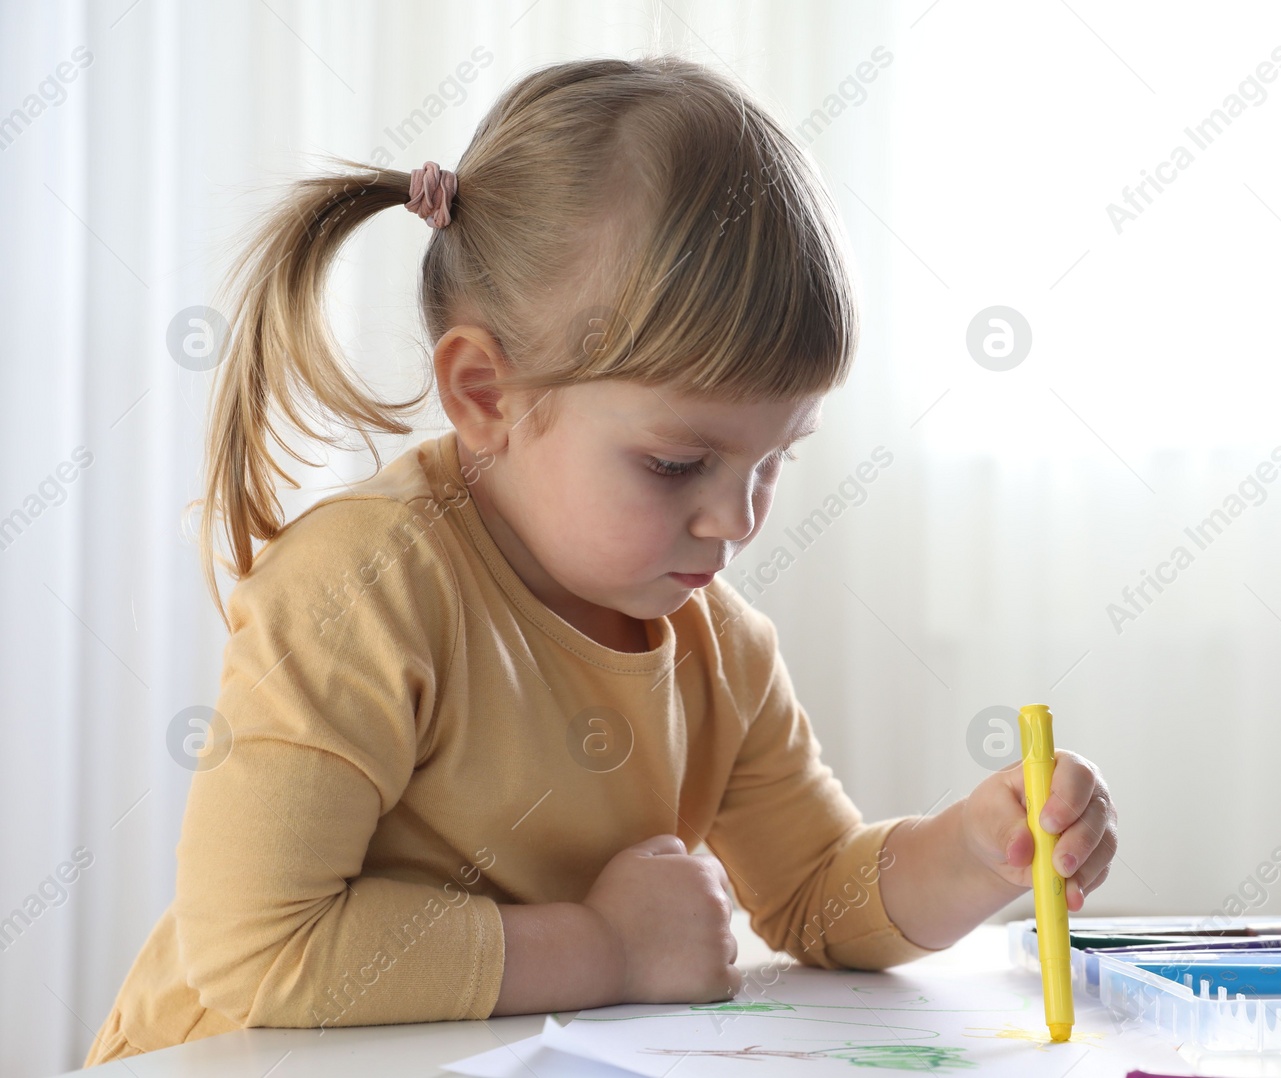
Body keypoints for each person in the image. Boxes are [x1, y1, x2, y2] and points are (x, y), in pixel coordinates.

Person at [84, 56, 1117, 1066]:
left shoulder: (719, 646)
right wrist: (607, 946)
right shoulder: (364, 588)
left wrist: (979, 852)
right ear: (487, 394)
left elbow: (813, 895)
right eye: (677, 463)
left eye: (774, 461)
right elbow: (259, 952)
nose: (734, 521)